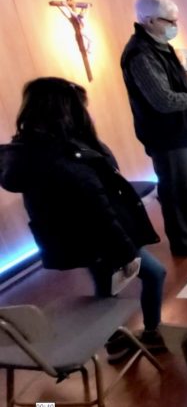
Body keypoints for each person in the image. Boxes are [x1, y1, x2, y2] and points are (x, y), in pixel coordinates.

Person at [0, 77, 168, 363]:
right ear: (63, 109)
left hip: (82, 237)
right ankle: (146, 333)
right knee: (152, 274)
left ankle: (114, 339)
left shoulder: (33, 149)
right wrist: (127, 250)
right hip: (98, 236)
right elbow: (99, 210)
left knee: (107, 286)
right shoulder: (60, 156)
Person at [120, 0, 187, 257]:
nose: (175, 26)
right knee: (176, 189)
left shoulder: (161, 46)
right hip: (166, 134)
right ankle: (183, 242)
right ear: (150, 20)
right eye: (170, 21)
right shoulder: (140, 54)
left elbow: (177, 82)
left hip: (182, 131)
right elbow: (163, 100)